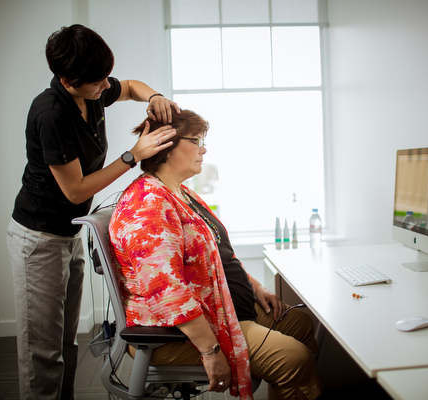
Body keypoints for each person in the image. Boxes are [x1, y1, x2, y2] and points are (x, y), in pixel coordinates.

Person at [6, 24, 179, 400]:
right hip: (38, 238)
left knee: (66, 344)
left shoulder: (92, 92)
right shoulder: (50, 114)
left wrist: (156, 97)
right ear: (68, 80)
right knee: (43, 352)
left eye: (105, 78)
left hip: (67, 234)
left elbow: (131, 86)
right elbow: (76, 190)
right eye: (98, 82)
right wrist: (134, 155)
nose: (106, 87)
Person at [109, 109, 325, 400]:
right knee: (294, 358)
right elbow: (166, 292)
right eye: (196, 140)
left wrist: (254, 286)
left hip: (220, 307)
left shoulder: (182, 194)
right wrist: (210, 352)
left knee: (300, 324)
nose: (204, 149)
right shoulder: (148, 204)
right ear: (166, 146)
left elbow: (215, 255)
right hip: (177, 335)